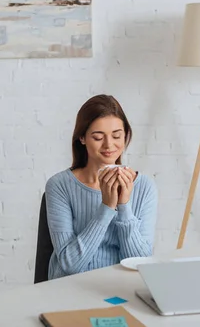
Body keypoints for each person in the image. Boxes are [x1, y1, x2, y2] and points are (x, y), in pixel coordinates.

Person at [45, 94, 158, 280]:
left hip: (120, 287)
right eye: (98, 137)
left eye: (116, 136)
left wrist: (124, 206)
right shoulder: (60, 186)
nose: (109, 145)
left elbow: (139, 264)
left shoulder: (145, 187)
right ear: (82, 138)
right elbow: (69, 264)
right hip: (70, 288)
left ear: (126, 136)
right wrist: (106, 207)